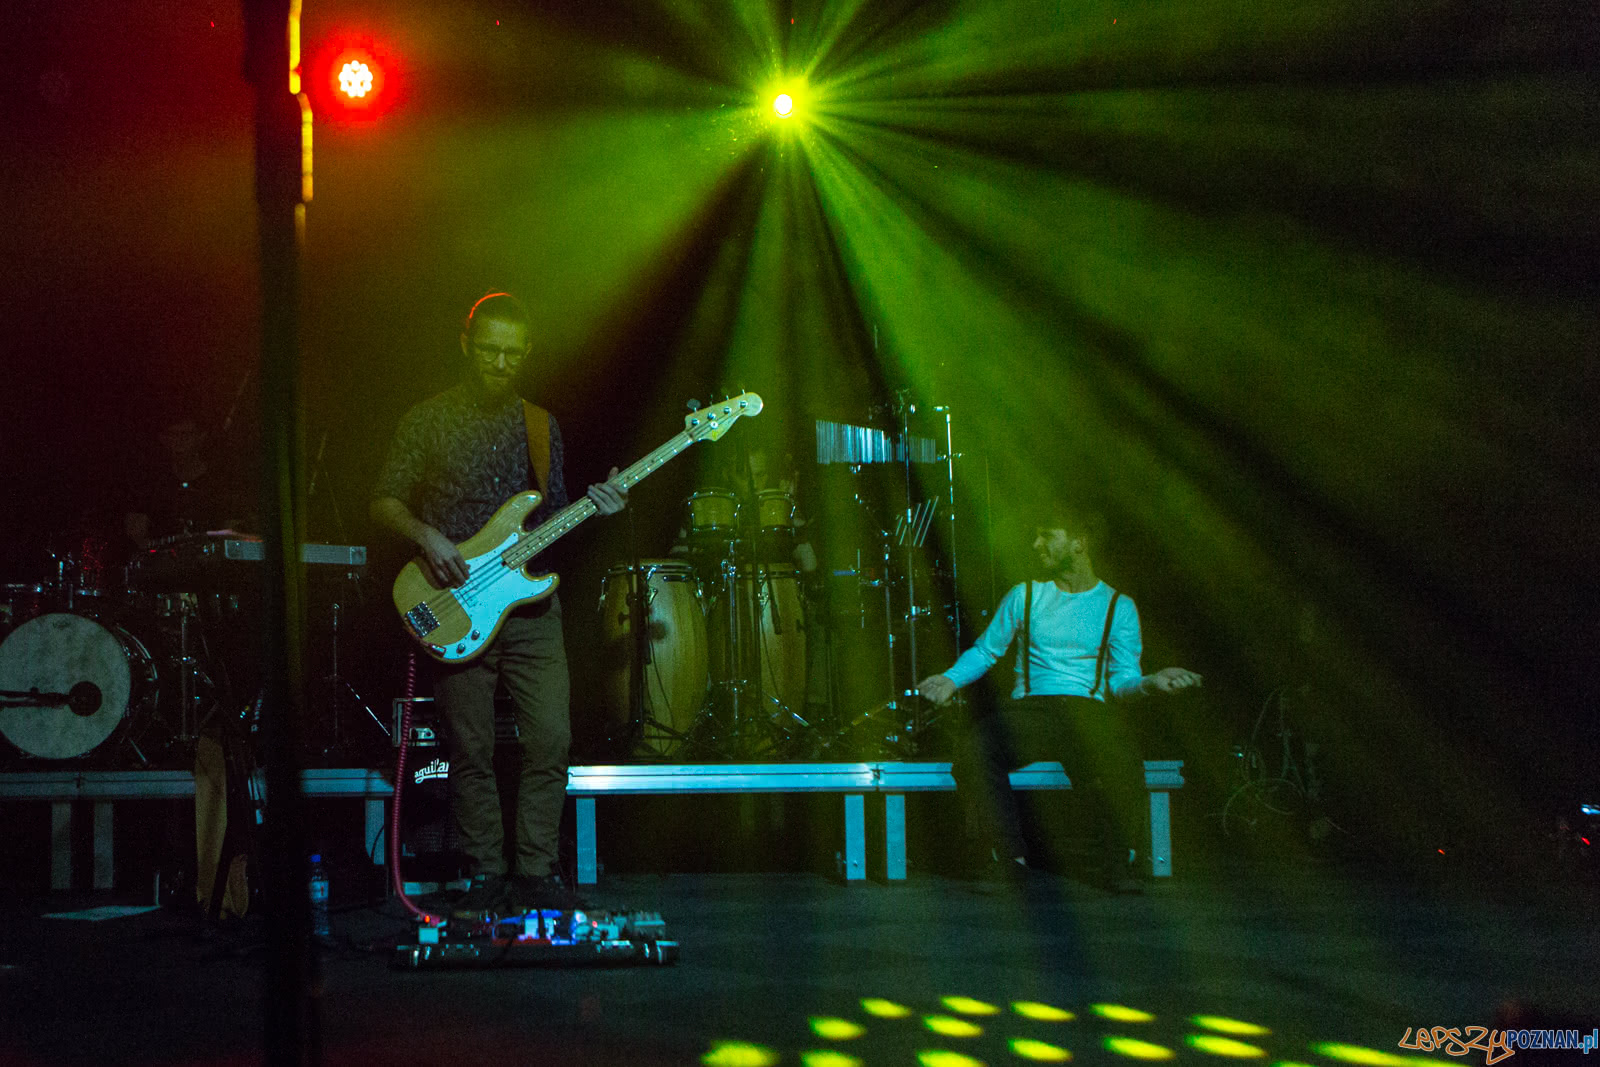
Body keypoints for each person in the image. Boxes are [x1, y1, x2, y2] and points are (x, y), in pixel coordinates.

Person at [371, 291, 627, 919]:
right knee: (470, 748)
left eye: (513, 353)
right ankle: (485, 872)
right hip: (454, 604)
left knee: (551, 740)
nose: (501, 362)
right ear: (466, 345)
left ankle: (536, 871)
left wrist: (598, 507)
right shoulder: (427, 419)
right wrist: (427, 538)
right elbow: (384, 501)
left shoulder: (541, 425)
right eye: (489, 349)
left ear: (527, 352)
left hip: (531, 607)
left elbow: (552, 515)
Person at [917, 507, 1201, 892]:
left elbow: (1122, 680)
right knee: (975, 750)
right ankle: (1009, 859)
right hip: (1033, 708)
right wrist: (950, 679)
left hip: (1087, 709)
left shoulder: (1117, 605)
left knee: (1120, 758)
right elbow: (986, 650)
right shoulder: (1026, 595)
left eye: (1047, 536)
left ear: (1079, 543)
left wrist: (1151, 682)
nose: (1037, 545)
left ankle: (1118, 862)